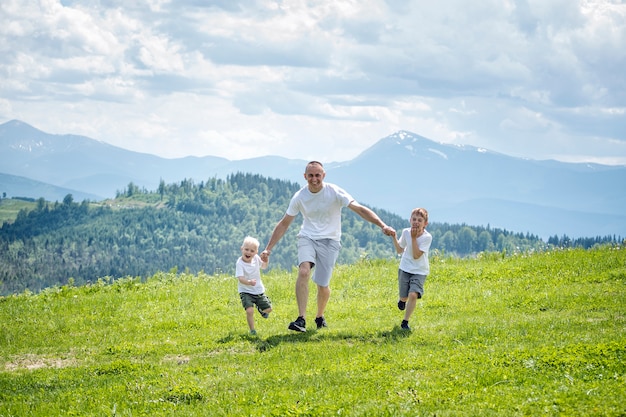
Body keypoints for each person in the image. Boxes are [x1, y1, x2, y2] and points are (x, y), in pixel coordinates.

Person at [260, 160, 395, 332]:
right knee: (304, 271)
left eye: (317, 175)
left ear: (323, 175)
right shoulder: (300, 196)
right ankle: (301, 319)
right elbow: (284, 223)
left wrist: (382, 225)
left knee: (322, 285)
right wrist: (268, 248)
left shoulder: (335, 192)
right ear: (305, 176)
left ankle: (319, 316)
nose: (314, 179)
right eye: (311, 175)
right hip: (307, 237)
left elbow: (359, 209)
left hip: (331, 240)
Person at [389, 207, 432, 331]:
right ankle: (402, 301)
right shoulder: (406, 232)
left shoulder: (427, 237)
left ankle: (405, 322)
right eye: (414, 219)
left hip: (419, 271)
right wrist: (394, 237)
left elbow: (416, 255)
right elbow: (399, 250)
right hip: (405, 268)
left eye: (419, 220)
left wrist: (413, 239)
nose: (416, 222)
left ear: (425, 224)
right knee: (404, 297)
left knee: (413, 294)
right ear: (410, 220)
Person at [236, 236, 272, 336]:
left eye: (252, 251)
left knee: (269, 309)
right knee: (249, 310)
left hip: (258, 290)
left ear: (256, 252)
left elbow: (264, 267)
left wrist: (266, 259)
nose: (248, 253)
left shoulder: (256, 259)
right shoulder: (240, 263)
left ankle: (261, 309)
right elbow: (240, 278)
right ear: (241, 249)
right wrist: (249, 282)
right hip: (245, 290)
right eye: (246, 249)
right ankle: (252, 330)